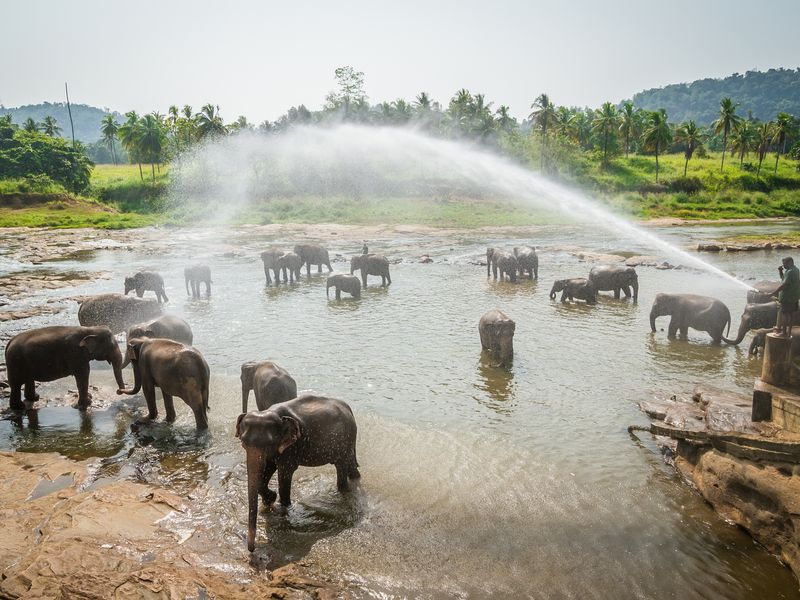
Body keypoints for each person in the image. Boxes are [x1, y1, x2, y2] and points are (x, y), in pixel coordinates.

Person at [773, 256, 800, 337]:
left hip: (787, 298)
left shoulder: (790, 272)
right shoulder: (795, 270)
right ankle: (788, 333)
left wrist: (772, 293)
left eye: (784, 264)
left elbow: (784, 285)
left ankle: (783, 333)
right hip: (794, 297)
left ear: (790, 262)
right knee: (790, 315)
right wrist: (780, 271)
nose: (783, 266)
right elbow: (784, 279)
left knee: (784, 314)